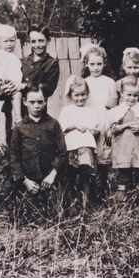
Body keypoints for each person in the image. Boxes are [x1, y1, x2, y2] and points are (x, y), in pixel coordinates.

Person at [10, 83, 67, 198]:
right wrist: (25, 181)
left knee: (54, 211)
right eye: (32, 102)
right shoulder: (19, 128)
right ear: (25, 102)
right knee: (26, 211)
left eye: (40, 102)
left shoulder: (53, 124)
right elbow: (14, 157)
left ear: (45, 101)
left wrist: (52, 175)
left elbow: (62, 153)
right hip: (28, 183)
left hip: (50, 180)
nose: (36, 106)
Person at [107, 75, 139, 202]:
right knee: (123, 176)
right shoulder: (117, 111)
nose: (131, 98)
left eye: (135, 95)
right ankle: (121, 204)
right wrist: (125, 125)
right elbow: (112, 129)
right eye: (128, 95)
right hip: (123, 149)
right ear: (122, 93)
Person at [59, 76, 99, 210]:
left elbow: (94, 127)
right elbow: (61, 128)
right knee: (69, 177)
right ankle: (71, 207)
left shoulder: (91, 111)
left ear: (87, 94)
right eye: (76, 95)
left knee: (86, 177)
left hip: (86, 147)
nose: (80, 98)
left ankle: (85, 205)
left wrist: (95, 131)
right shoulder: (67, 110)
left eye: (83, 94)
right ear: (70, 96)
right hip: (71, 147)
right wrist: (75, 126)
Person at [81, 44, 116, 202]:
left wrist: (109, 126)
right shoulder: (83, 82)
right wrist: (87, 126)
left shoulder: (110, 82)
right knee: (90, 160)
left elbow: (113, 107)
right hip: (90, 124)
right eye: (92, 64)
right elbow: (80, 105)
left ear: (104, 63)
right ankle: (90, 196)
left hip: (105, 122)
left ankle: (106, 194)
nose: (95, 68)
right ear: (86, 64)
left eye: (99, 64)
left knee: (105, 160)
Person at [0, 24, 23, 144]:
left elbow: (18, 71)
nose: (9, 44)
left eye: (12, 41)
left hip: (12, 84)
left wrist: (16, 82)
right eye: (6, 41)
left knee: (17, 95)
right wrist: (0, 77)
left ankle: (17, 117)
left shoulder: (15, 57)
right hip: (0, 82)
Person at [19, 24, 59, 99]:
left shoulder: (52, 63)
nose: (37, 45)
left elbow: (49, 88)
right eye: (33, 41)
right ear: (29, 42)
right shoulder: (21, 61)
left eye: (41, 41)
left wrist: (25, 86)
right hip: (15, 106)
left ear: (48, 41)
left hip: (36, 105)